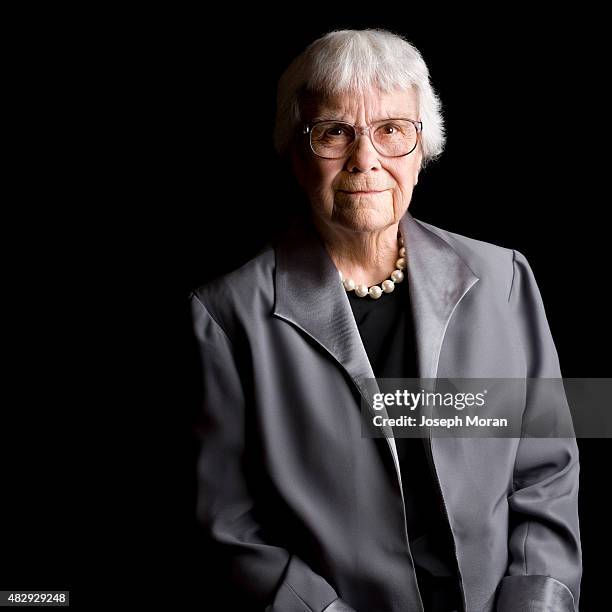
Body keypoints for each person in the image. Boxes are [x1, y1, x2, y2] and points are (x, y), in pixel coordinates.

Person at [189, 29, 581, 611]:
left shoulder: (504, 279)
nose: (365, 158)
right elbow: (229, 525)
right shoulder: (225, 316)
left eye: (391, 130)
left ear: (423, 150)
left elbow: (546, 469)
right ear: (297, 153)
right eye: (334, 132)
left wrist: (536, 602)